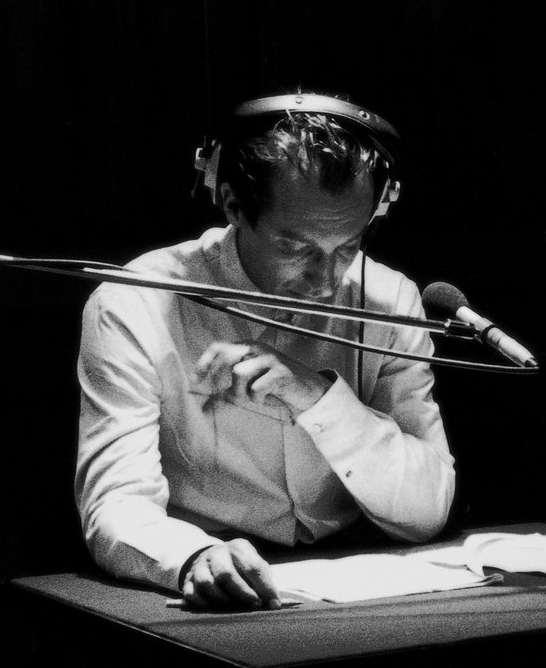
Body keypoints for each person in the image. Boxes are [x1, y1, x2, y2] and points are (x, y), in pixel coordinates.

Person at [75, 93, 456, 610]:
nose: (326, 282)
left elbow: (427, 509)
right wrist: (192, 557)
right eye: (296, 248)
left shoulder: (391, 302)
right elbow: (115, 503)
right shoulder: (134, 303)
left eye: (348, 247)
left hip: (360, 580)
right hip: (212, 580)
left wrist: (319, 399)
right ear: (232, 204)